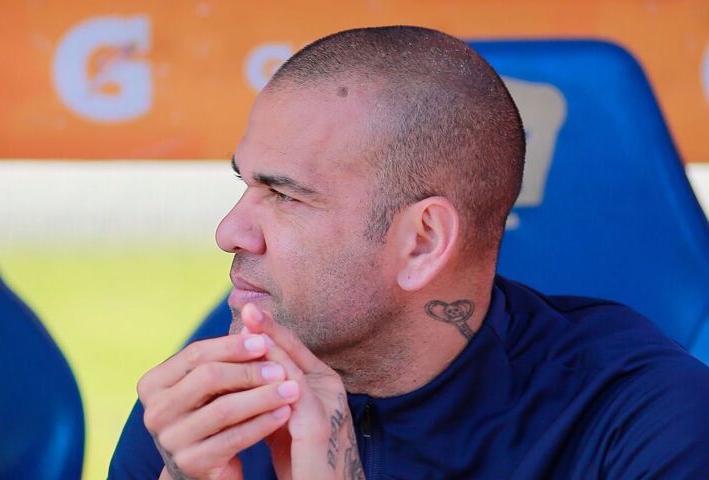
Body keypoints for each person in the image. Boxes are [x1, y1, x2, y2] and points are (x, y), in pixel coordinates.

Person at [110, 26, 709, 479]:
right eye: (245, 184)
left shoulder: (642, 421)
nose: (229, 231)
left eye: (285, 196)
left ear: (422, 242)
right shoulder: (203, 412)